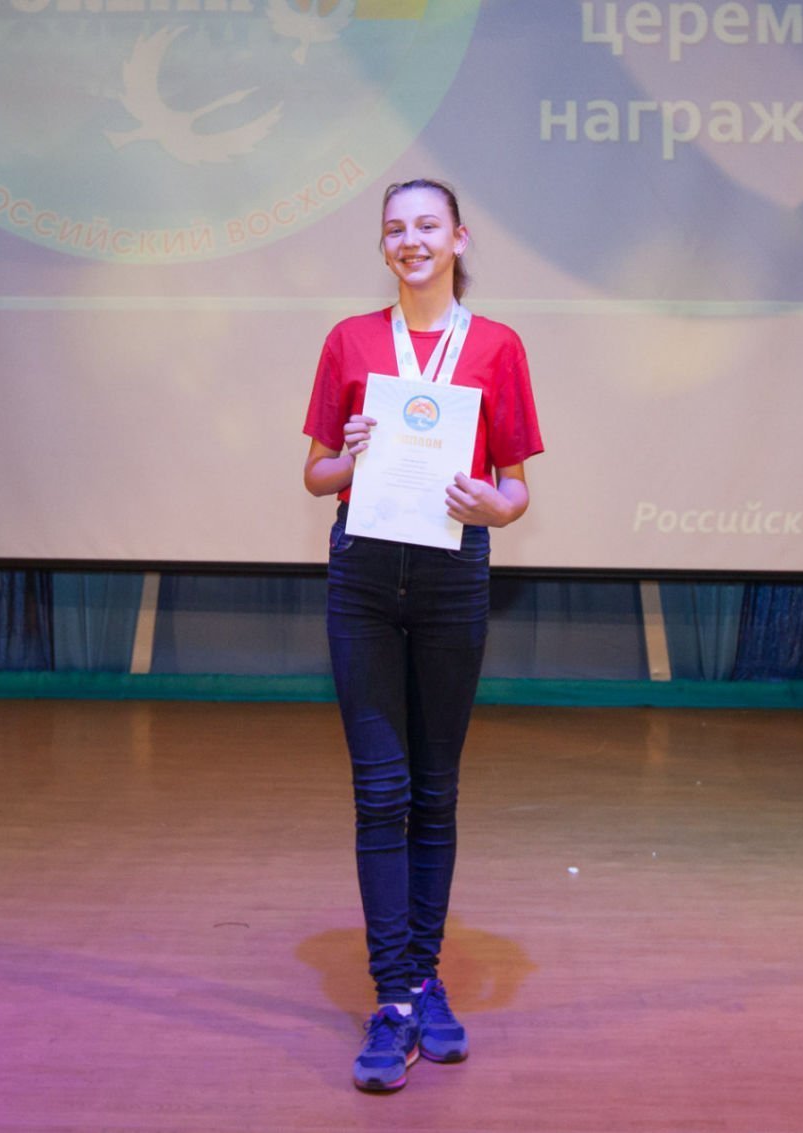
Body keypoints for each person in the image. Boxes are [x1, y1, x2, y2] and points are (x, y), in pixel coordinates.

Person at [301, 178, 543, 1092]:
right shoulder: (350, 340)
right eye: (395, 228)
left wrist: (495, 506)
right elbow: (316, 473)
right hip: (363, 577)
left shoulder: (497, 346)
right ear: (384, 245)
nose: (411, 240)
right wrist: (352, 452)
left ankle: (422, 978)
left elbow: (515, 487)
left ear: (458, 239)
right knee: (381, 792)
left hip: (453, 576)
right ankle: (396, 995)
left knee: (435, 792)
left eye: (427, 226)